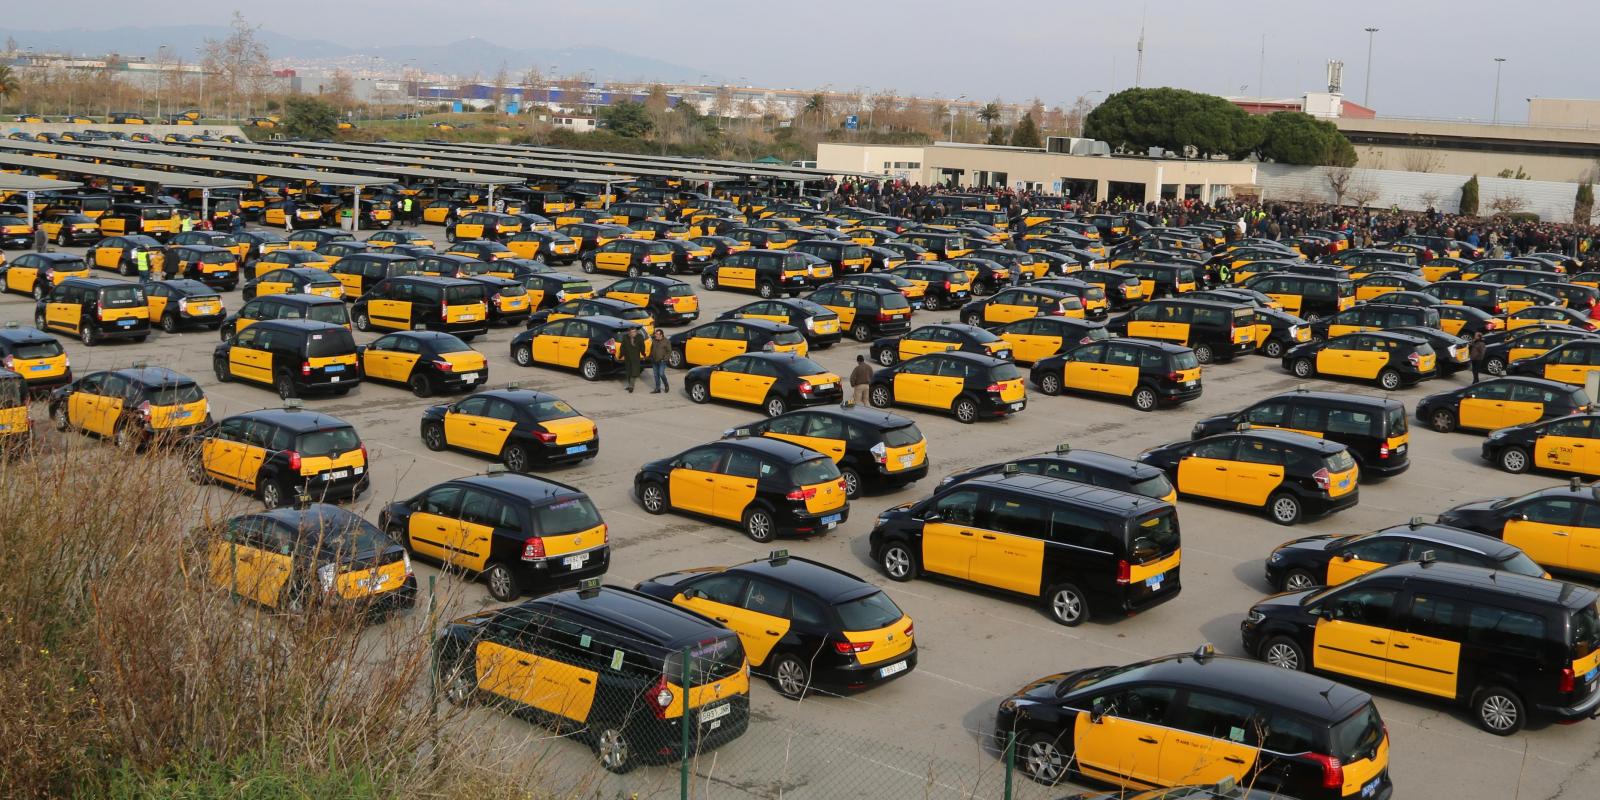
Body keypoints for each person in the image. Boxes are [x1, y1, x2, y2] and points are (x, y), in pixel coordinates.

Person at [621, 327, 643, 393]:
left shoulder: (639, 337)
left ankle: (631, 387)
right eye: (632, 332)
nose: (633, 333)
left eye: (634, 332)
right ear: (629, 333)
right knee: (628, 372)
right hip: (627, 358)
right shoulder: (625, 337)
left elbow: (642, 346)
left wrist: (643, 353)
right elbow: (623, 347)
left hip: (635, 358)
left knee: (634, 372)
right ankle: (630, 385)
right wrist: (621, 355)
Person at [649, 329, 670, 393]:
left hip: (662, 361)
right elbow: (651, 348)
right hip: (654, 360)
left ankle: (666, 385)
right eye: (655, 334)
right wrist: (650, 356)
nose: (656, 335)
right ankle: (658, 389)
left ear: (661, 335)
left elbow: (669, 351)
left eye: (657, 334)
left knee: (661, 374)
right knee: (656, 375)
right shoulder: (654, 340)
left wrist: (665, 359)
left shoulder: (666, 341)